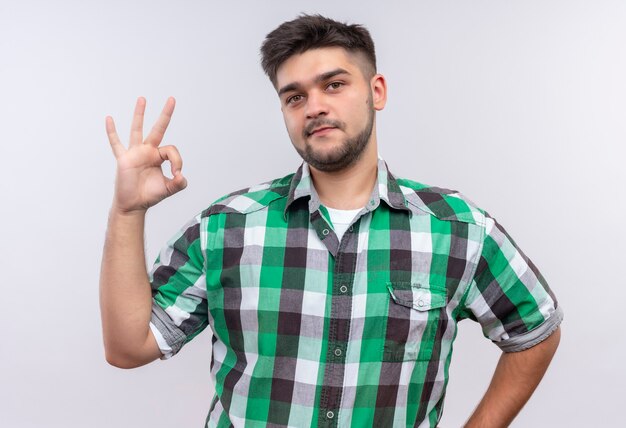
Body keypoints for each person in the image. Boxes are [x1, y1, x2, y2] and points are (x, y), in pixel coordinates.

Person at [100, 14, 563, 428]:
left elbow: (535, 329)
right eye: (294, 96)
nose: (314, 106)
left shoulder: (458, 229)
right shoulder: (226, 228)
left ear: (375, 92)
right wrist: (128, 211)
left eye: (334, 85)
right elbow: (128, 347)